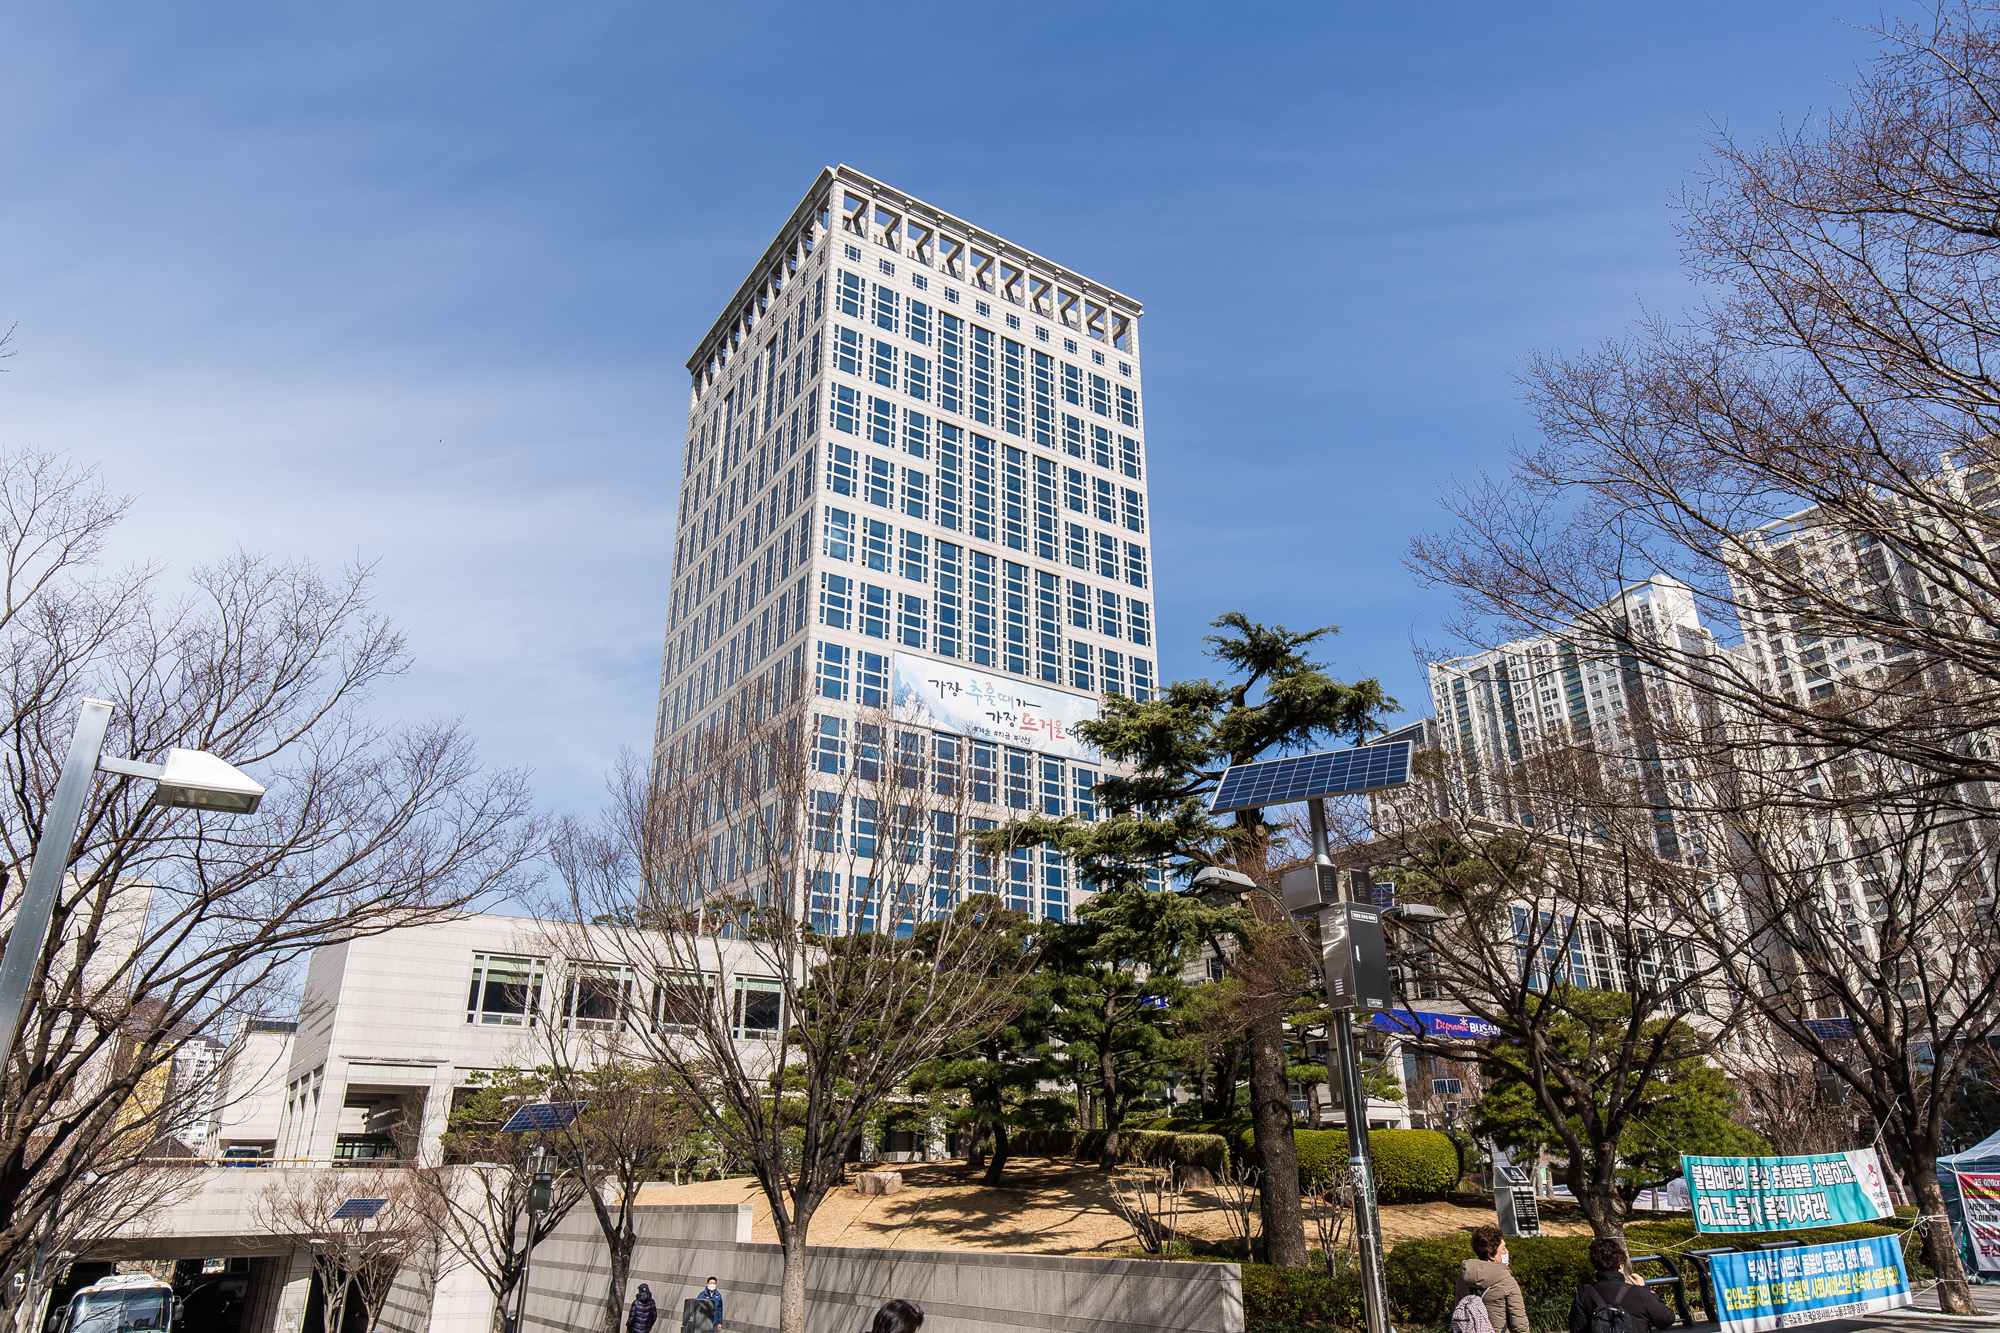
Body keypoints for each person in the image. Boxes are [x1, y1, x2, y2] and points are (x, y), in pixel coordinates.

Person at [1568, 1238, 1677, 1333]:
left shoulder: (1585, 1294)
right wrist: (1645, 1290)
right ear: (1621, 1265)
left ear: (1595, 1266)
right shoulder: (1638, 1292)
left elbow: (1577, 1328)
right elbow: (1666, 1320)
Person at [1455, 1225, 1529, 1333]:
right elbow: (1519, 1323)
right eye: (1503, 1248)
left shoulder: (1464, 1276)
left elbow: (1458, 1310)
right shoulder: (1506, 1281)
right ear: (1491, 1255)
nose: (1507, 1252)